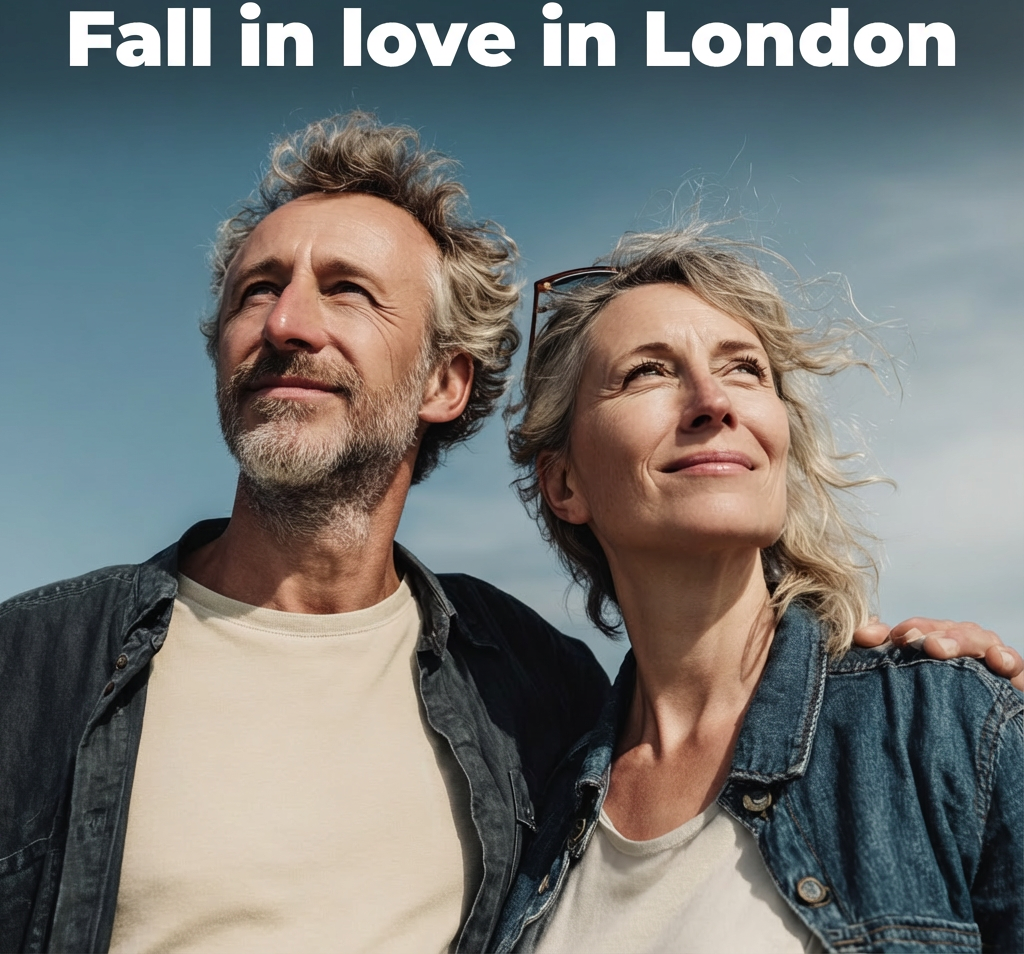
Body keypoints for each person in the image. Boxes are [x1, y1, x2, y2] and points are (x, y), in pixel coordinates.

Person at [0, 115, 1017, 954]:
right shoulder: (35, 664)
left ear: (446, 382)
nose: (287, 324)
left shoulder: (522, 694)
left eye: (346, 290)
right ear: (562, 483)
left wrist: (943, 698)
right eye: (256, 291)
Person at [493, 227, 1023, 953]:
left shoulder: (945, 723)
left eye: (745, 370)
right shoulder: (536, 817)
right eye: (648, 372)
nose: (713, 402)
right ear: (564, 482)